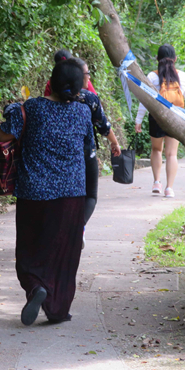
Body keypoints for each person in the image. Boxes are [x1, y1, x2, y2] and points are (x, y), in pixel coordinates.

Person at [0, 59, 94, 326]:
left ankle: (35, 286)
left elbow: (4, 136)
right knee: (65, 253)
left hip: (34, 194)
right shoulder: (83, 112)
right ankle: (58, 308)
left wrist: (12, 111)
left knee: (31, 249)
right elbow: (89, 149)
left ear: (50, 80)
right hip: (72, 194)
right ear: (78, 88)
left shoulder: (32, 108)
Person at [67, 58, 121, 249]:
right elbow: (103, 126)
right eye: (87, 74)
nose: (88, 77)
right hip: (84, 153)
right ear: (79, 77)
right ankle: (78, 227)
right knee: (90, 195)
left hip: (56, 155)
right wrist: (114, 143)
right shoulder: (88, 98)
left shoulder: (48, 98)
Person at [134, 44, 185, 198]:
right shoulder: (183, 76)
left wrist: (138, 119)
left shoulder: (152, 76)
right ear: (175, 59)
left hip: (156, 117)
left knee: (156, 150)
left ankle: (156, 182)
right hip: (176, 117)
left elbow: (144, 99)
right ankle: (169, 188)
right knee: (172, 154)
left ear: (157, 59)